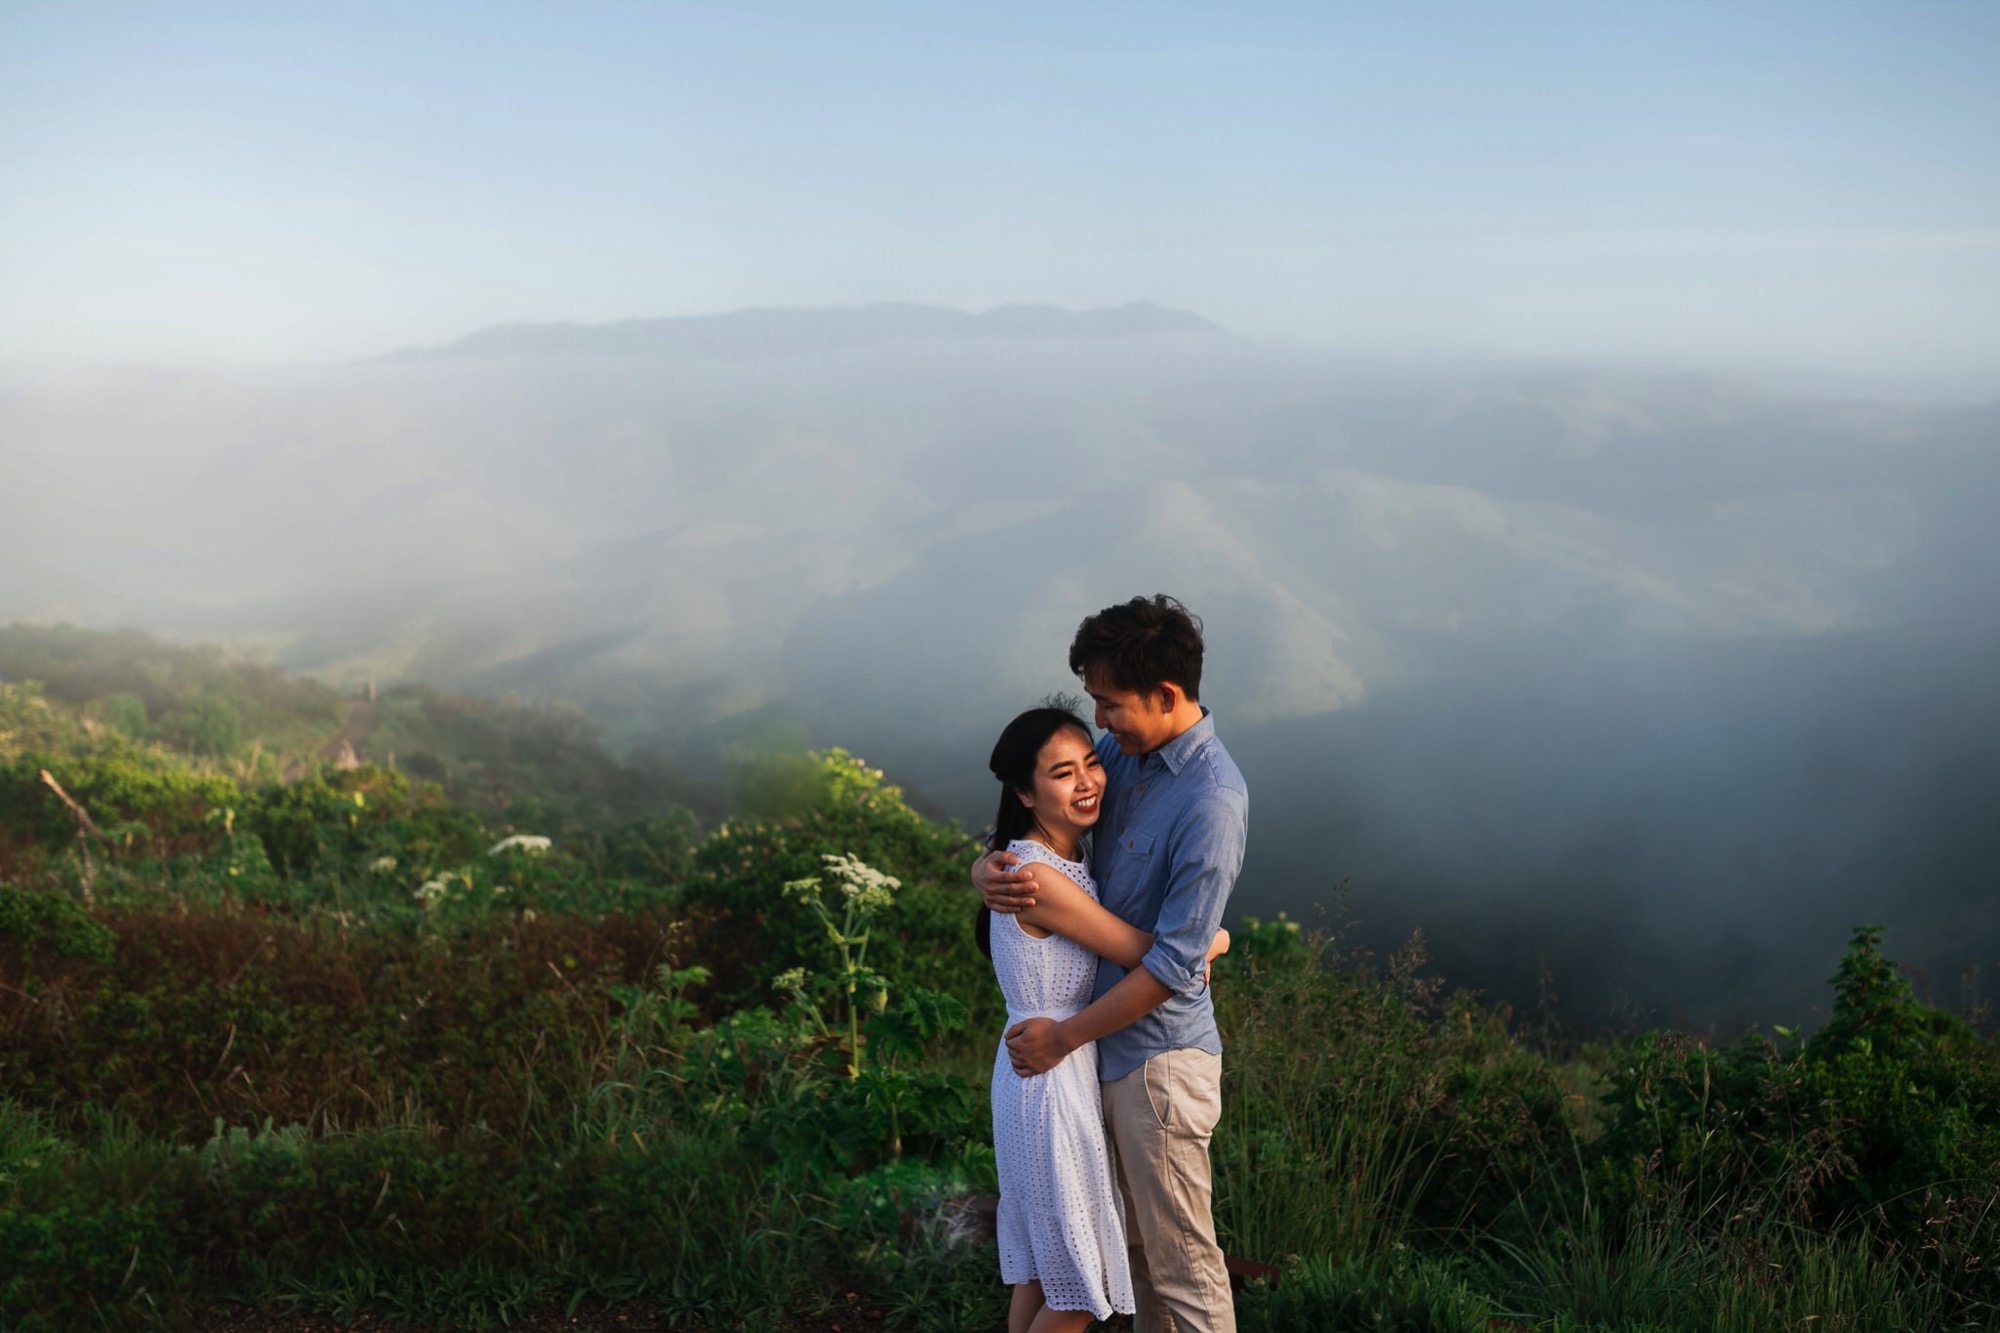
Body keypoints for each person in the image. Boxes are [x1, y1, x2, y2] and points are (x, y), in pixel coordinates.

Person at [977, 595, 1248, 1333]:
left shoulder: (1211, 798)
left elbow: (1166, 966)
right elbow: (1043, 824)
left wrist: (1066, 1037)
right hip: (1084, 1059)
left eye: (1109, 703)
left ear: (1164, 696)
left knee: (1180, 1266)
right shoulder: (1126, 763)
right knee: (1123, 1262)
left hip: (1155, 1059)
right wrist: (984, 867)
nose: (1102, 723)